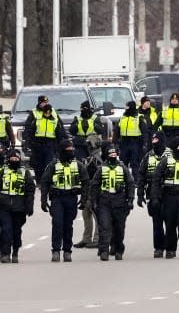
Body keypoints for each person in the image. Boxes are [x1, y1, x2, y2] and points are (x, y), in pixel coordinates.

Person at [40, 138, 84, 262]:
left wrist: (84, 199)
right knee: (57, 224)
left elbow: (86, 182)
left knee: (68, 225)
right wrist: (43, 200)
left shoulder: (78, 165)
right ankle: (55, 250)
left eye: (72, 150)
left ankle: (67, 251)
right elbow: (45, 182)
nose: (70, 152)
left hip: (71, 198)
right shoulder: (53, 165)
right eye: (67, 150)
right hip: (57, 198)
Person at [87, 144, 134, 261]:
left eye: (115, 153)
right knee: (104, 227)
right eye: (111, 154)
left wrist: (130, 199)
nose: (113, 155)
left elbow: (130, 183)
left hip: (120, 201)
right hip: (105, 201)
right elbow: (95, 185)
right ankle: (104, 251)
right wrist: (94, 201)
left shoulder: (123, 168)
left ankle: (118, 250)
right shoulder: (101, 169)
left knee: (119, 228)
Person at [70, 101, 106, 250]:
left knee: (95, 212)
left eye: (91, 144)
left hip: (96, 190)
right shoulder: (82, 158)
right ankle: (86, 238)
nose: (89, 145)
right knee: (86, 213)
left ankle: (98, 238)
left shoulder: (98, 158)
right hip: (87, 189)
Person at [0, 147, 36, 263]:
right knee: (6, 230)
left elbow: (30, 191)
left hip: (19, 208)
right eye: (12, 158)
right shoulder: (3, 172)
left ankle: (15, 251)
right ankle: (5, 253)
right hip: (4, 207)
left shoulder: (25, 173)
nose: (14, 160)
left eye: (16, 158)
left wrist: (29, 206)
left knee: (16, 231)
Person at [135, 131, 170, 257]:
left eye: (157, 140)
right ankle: (158, 248)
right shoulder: (148, 156)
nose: (154, 142)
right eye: (153, 140)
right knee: (157, 222)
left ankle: (170, 246)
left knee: (170, 222)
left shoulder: (171, 155)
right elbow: (141, 175)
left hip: (169, 193)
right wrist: (139, 194)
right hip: (152, 193)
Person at [24, 99, 66, 181]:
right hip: (38, 145)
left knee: (49, 164)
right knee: (38, 165)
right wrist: (29, 143)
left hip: (50, 144)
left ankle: (47, 180)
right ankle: (39, 180)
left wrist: (61, 143)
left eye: (49, 112)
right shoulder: (38, 120)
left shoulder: (54, 121)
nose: (47, 113)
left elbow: (60, 133)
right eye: (46, 112)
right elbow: (30, 131)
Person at [115, 101, 147, 173]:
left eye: (127, 107)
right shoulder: (122, 118)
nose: (125, 108)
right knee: (123, 163)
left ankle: (136, 182)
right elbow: (116, 131)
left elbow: (145, 132)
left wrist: (145, 143)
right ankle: (124, 180)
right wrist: (115, 143)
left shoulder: (139, 118)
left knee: (135, 163)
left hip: (135, 143)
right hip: (124, 143)